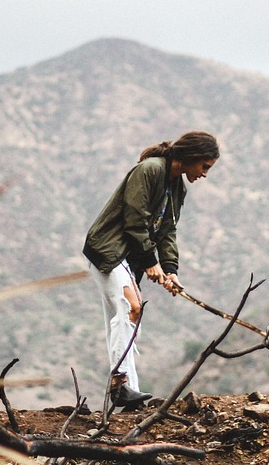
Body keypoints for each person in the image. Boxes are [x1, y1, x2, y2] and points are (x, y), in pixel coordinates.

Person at [82, 131, 219, 410]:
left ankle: (129, 392)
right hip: (108, 250)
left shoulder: (177, 187)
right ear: (191, 157)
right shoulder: (150, 170)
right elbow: (135, 220)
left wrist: (170, 269)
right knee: (131, 307)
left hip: (129, 259)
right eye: (204, 166)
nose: (204, 174)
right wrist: (150, 262)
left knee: (129, 316)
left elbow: (168, 230)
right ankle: (120, 384)